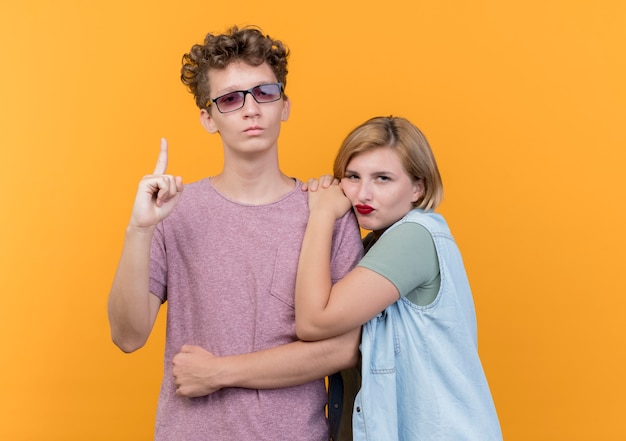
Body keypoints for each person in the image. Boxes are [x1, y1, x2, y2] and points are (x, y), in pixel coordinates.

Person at [107, 25, 364, 441]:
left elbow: (342, 349)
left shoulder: (327, 211)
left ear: (284, 105)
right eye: (230, 98)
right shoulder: (175, 210)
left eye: (264, 92)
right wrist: (139, 229)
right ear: (208, 118)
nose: (251, 109)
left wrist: (219, 373)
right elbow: (128, 336)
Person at [295, 116, 503, 440]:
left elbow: (313, 321)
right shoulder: (372, 246)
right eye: (352, 176)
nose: (363, 193)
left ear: (418, 187)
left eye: (383, 178)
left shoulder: (414, 236)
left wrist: (321, 214)